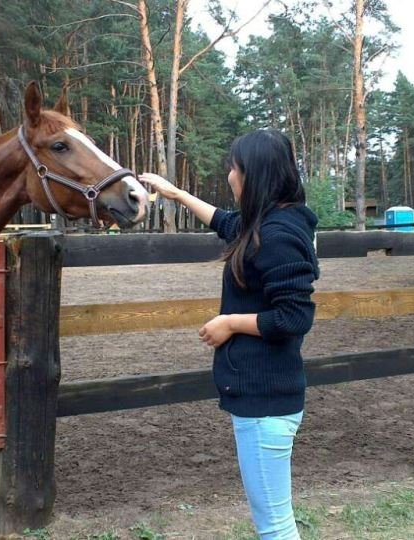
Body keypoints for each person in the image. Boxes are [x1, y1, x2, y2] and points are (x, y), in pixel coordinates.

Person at [139, 129, 319, 540]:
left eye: (234, 168)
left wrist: (231, 322)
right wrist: (177, 194)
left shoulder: (275, 235)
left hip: (265, 403)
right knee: (274, 520)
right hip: (267, 396)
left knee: (275, 526)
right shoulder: (272, 222)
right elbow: (225, 222)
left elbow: (293, 318)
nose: (229, 177)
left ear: (252, 174)